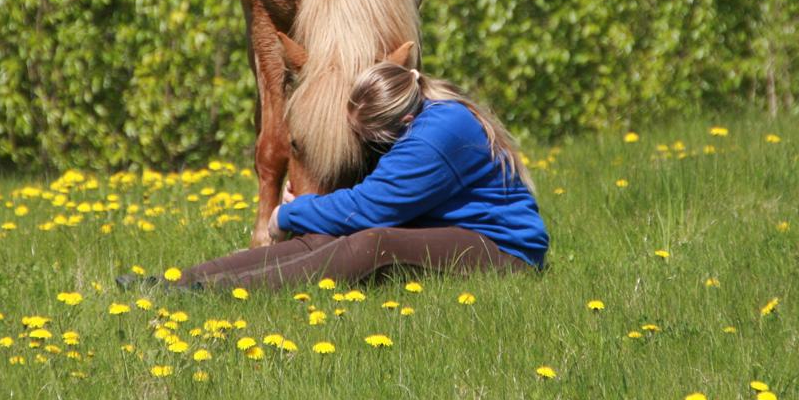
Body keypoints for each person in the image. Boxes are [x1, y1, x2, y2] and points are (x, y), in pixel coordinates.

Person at [121, 61, 548, 291]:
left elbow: (368, 208)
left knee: (371, 244)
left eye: (372, 142)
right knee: (327, 238)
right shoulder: (424, 119)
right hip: (455, 230)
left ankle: (212, 296)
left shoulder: (439, 134)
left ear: (400, 120)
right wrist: (308, 216)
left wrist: (286, 216)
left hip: (503, 251)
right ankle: (180, 280)